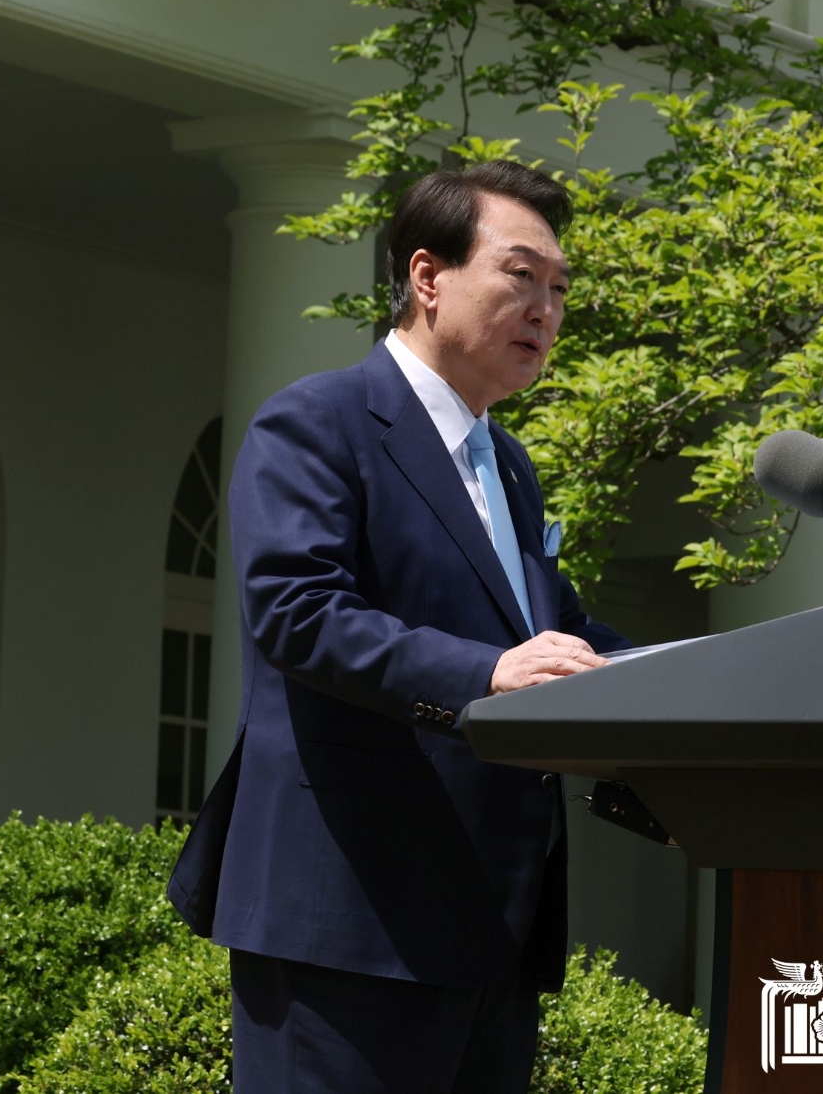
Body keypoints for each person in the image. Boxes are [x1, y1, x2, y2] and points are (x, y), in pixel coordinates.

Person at [168, 161, 629, 1092]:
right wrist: (487, 674)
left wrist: (705, 676)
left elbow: (562, 631)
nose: (547, 309)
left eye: (560, 288)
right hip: (349, 919)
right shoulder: (318, 421)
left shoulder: (509, 465)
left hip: (494, 927)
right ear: (427, 276)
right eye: (521, 276)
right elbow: (298, 614)